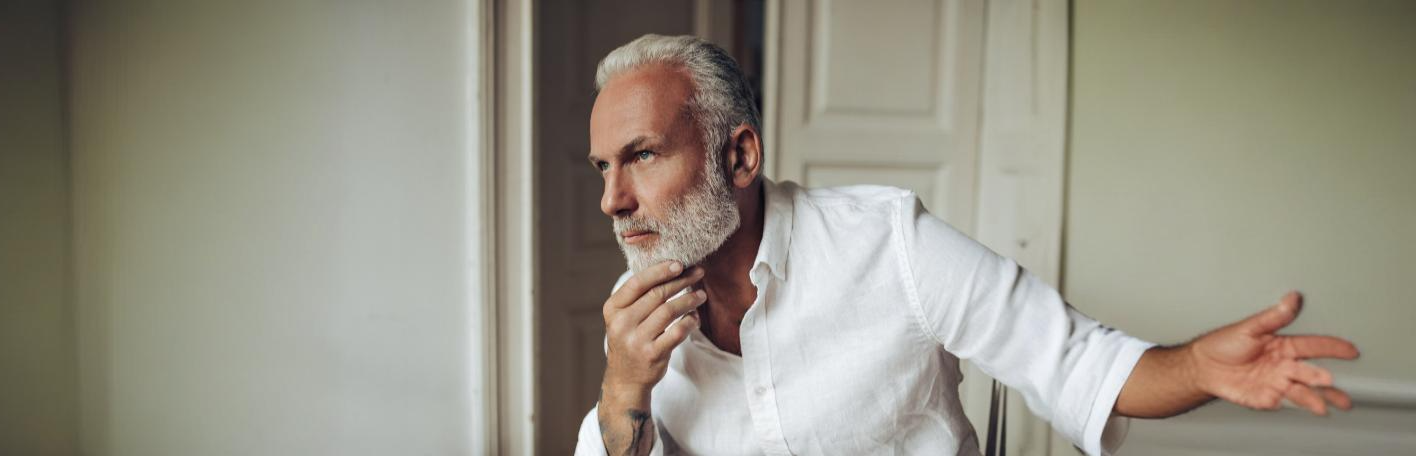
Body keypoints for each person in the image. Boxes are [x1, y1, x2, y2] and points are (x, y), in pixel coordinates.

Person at [573, 34, 1359, 456]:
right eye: (605, 167)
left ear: (739, 156)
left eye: (642, 156)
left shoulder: (889, 246)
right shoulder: (634, 311)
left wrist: (1196, 368)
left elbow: (1074, 362)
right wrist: (622, 390)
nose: (613, 199)